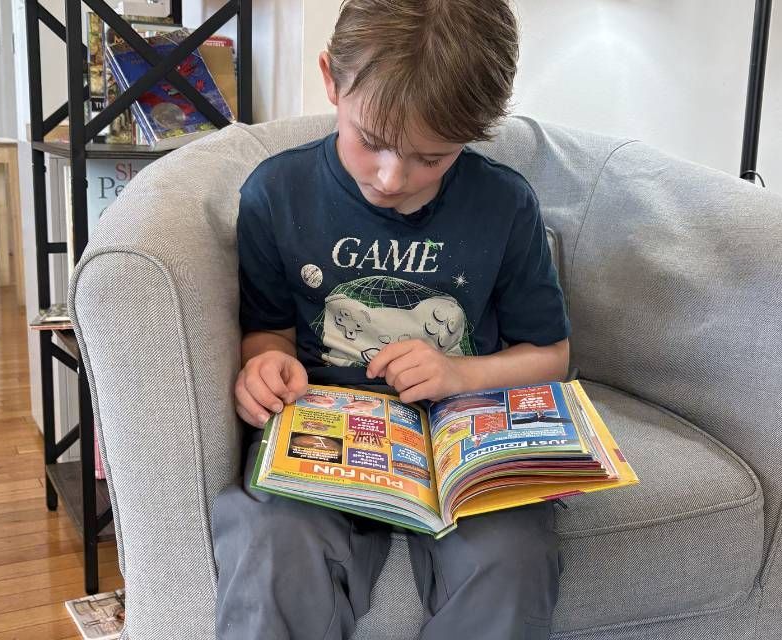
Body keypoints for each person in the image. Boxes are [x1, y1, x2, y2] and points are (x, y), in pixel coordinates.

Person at [211, 1, 572, 638]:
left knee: (514, 558)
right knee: (271, 541)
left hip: (460, 434)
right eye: (371, 142)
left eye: (431, 159)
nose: (392, 177)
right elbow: (269, 332)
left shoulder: (505, 204)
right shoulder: (276, 194)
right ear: (331, 80)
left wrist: (458, 372)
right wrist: (264, 363)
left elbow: (551, 355)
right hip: (325, 436)